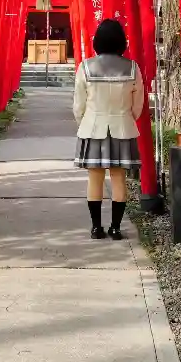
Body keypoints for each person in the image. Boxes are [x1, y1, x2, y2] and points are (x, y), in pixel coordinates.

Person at [72, 19, 144, 240]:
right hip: (123, 128)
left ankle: (96, 228)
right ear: (122, 42)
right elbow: (138, 105)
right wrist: (127, 119)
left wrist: (84, 122)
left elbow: (78, 105)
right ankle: (116, 228)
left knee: (95, 179)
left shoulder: (85, 67)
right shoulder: (132, 68)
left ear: (98, 41)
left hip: (93, 128)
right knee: (119, 178)